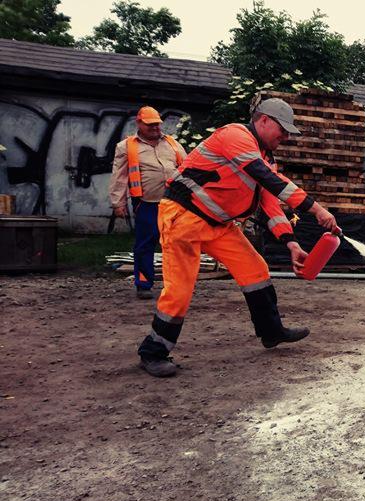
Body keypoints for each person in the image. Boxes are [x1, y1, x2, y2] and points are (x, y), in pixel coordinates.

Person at [137, 98, 339, 377]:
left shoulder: (266, 157)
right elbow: (266, 178)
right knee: (179, 291)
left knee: (255, 270)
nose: (285, 137)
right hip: (184, 218)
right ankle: (153, 352)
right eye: (282, 130)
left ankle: (271, 332)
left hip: (218, 225)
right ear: (264, 120)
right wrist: (316, 209)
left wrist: (291, 243)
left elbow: (271, 203)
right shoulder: (236, 136)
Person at [109, 106, 186, 299]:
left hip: (175, 203)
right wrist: (118, 203)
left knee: (177, 244)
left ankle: (177, 284)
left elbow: (187, 168)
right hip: (147, 204)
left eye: (157, 124)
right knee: (145, 244)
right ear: (139, 124)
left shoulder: (172, 143)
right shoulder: (126, 146)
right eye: (150, 125)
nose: (155, 128)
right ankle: (144, 284)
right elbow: (119, 176)